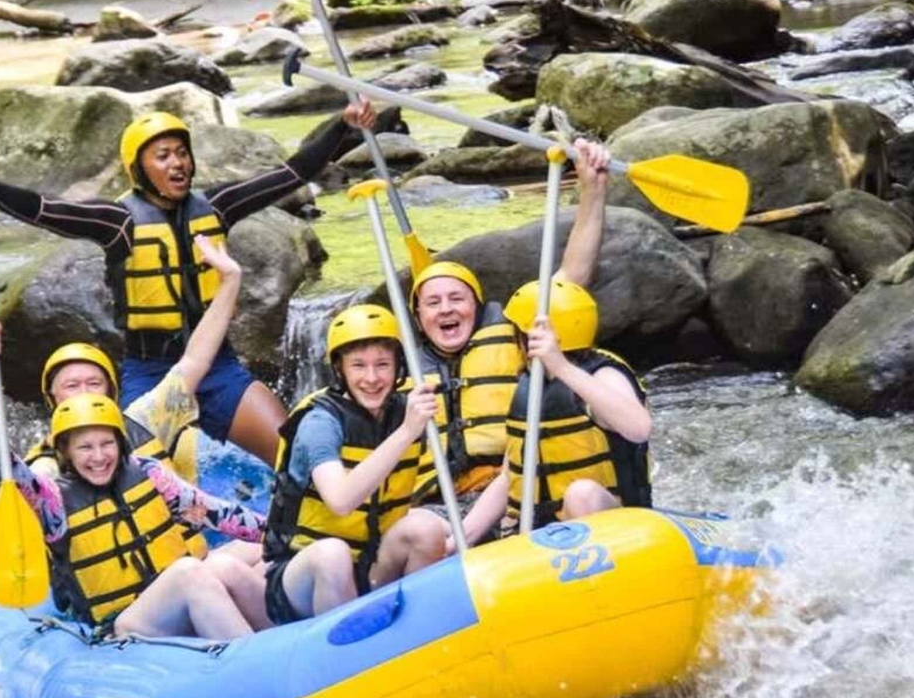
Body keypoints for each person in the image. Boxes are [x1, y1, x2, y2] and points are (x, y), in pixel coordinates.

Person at [0, 101, 377, 468]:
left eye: (181, 153)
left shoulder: (217, 204)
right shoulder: (118, 222)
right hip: (150, 372)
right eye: (162, 156)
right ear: (139, 169)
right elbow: (46, 209)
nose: (177, 163)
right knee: (133, 476)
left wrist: (342, 126)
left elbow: (292, 174)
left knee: (294, 451)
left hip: (218, 368)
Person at [0, 393, 267, 638]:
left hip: (176, 597)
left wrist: (281, 533)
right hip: (126, 624)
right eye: (85, 447)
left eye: (106, 444)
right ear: (65, 452)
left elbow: (221, 515)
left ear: (120, 444)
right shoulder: (52, 500)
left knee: (224, 564)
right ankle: (255, 662)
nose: (98, 457)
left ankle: (282, 638)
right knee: (190, 572)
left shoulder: (149, 474)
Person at [407, 139, 614, 505]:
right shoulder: (393, 368)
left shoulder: (514, 336)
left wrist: (592, 192)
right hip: (438, 504)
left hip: (512, 491)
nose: (446, 309)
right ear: (420, 318)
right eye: (433, 303)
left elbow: (571, 278)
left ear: (477, 305)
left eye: (457, 299)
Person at [0, 233, 248, 488]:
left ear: (112, 392)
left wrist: (231, 281)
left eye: (94, 383)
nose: (84, 393)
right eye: (71, 385)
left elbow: (194, 360)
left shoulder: (144, 418)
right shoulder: (46, 465)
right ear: (52, 398)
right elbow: (9, 477)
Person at [260, 305, 447, 626]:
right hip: (303, 576)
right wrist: (406, 432)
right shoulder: (320, 423)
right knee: (333, 554)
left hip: (370, 568)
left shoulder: (406, 411)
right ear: (340, 369)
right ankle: (345, 662)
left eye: (383, 365)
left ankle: (414, 634)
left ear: (398, 367)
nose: (372, 378)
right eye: (358, 366)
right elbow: (341, 500)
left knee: (426, 529)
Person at [458, 279, 652, 546]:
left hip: (618, 531)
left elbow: (639, 428)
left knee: (580, 494)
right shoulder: (531, 385)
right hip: (543, 535)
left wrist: (561, 366)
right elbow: (510, 477)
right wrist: (460, 537)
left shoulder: (603, 374)